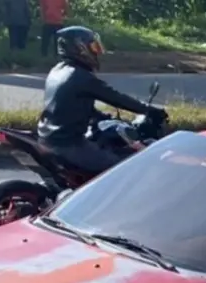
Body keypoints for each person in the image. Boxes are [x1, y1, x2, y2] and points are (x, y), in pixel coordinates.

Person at [37, 26, 168, 174]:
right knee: (121, 167)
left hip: (48, 138)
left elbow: (70, 106)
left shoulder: (57, 70)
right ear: (79, 48)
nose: (95, 52)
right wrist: (149, 110)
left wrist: (102, 117)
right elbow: (116, 98)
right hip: (69, 144)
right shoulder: (80, 76)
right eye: (92, 46)